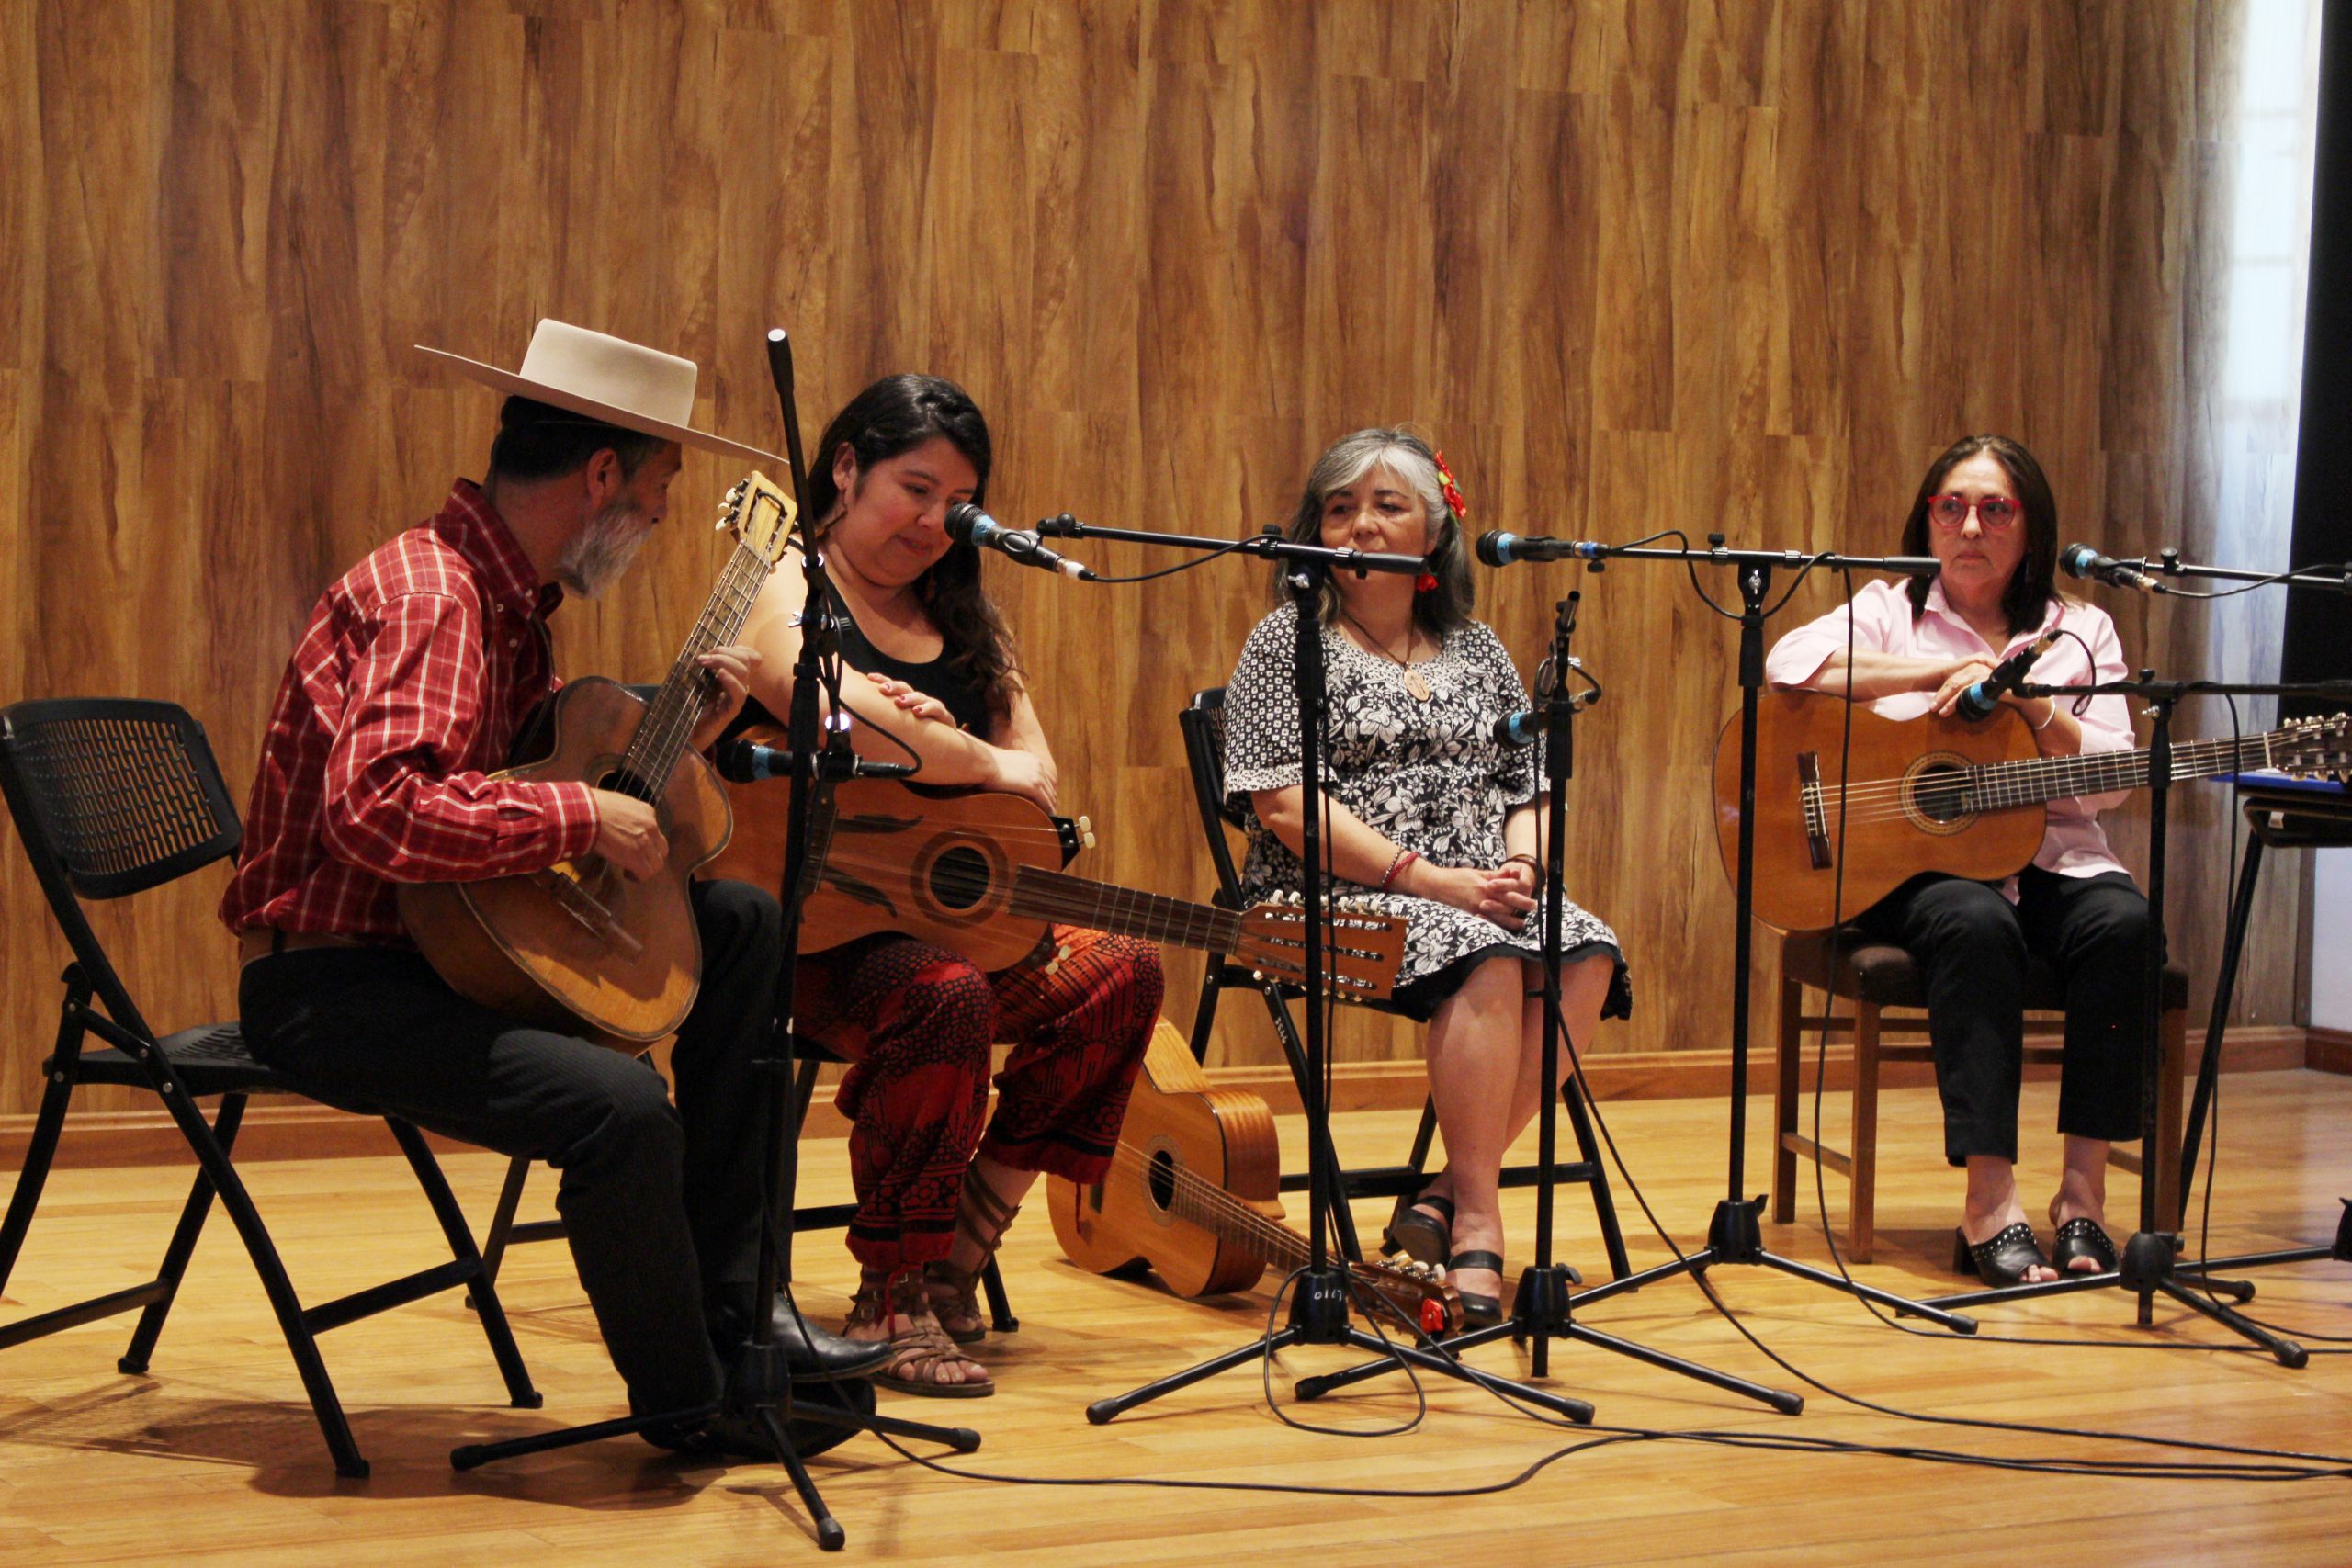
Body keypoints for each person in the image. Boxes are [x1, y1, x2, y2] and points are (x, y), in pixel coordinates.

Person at [220, 320, 888, 1461]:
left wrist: (678, 739)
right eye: (662, 484)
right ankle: (688, 1404)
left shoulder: (511, 606)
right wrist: (585, 817)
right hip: (337, 983)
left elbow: (515, 781)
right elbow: (375, 809)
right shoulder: (435, 596)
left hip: (450, 946)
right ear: (602, 476)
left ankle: (741, 1310)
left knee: (740, 921)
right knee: (617, 1110)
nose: (665, 513)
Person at [737, 373, 1162, 1397]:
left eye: (958, 504)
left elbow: (1039, 782)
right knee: (943, 995)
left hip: (938, 925)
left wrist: (927, 737)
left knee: (1123, 970)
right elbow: (816, 705)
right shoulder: (783, 577)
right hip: (806, 937)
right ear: (847, 469)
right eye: (914, 490)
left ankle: (959, 1249)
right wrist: (960, 752)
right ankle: (889, 1294)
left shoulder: (968, 618)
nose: (933, 524)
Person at [1219, 427, 1630, 1327]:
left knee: (1585, 948)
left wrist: (1523, 863)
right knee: (1487, 953)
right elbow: (1283, 805)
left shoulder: (1477, 649)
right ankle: (1478, 1218)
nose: (1360, 525)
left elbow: (1529, 783)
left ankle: (1441, 1194)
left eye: (1385, 506)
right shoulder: (1285, 642)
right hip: (1318, 897)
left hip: (1473, 889)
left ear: (1435, 531)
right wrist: (1433, 881)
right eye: (1339, 508)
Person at [1765, 433, 2149, 1287]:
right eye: (1953, 507)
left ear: (2030, 524)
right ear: (1928, 519)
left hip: (2055, 856)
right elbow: (1786, 662)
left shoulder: (2081, 631)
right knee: (1977, 923)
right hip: (1915, 870)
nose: (1971, 527)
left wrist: (2037, 708)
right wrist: (1942, 668)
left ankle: (2081, 1198)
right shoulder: (1888, 608)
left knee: (2124, 925)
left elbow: (2115, 780)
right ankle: (1990, 1200)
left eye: (1995, 509)